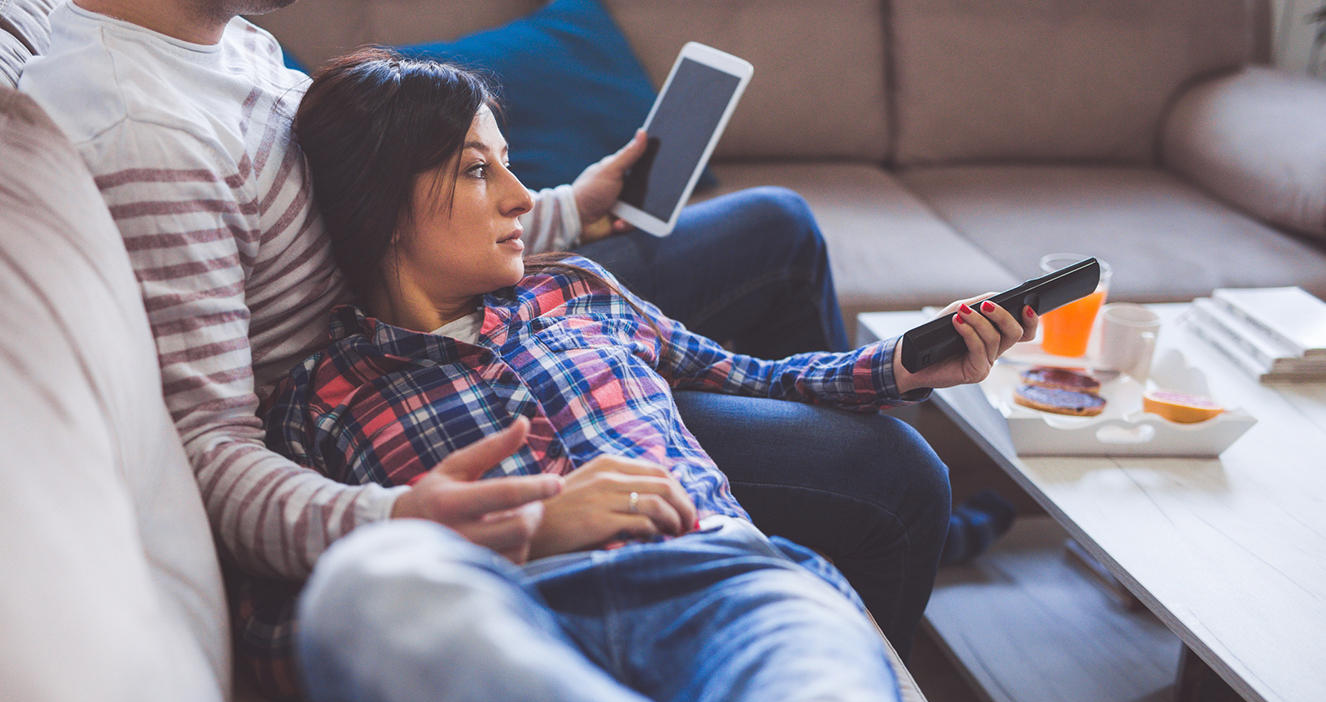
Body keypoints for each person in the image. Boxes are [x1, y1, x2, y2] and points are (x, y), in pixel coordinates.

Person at [258, 47, 1037, 702]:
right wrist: (521, 534)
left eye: (508, 165)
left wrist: (907, 365)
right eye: (478, 171)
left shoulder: (576, 289)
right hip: (526, 630)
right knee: (371, 586)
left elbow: (758, 380)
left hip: (724, 586)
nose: (523, 198)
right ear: (383, 206)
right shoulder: (318, 402)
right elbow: (275, 633)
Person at [19, 0, 957, 666]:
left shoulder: (222, 37)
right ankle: (884, 619)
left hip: (466, 304)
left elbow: (381, 197)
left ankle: (853, 568)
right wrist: (408, 523)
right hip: (402, 385)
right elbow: (209, 445)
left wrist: (562, 210)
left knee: (775, 228)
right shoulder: (144, 133)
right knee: (895, 476)